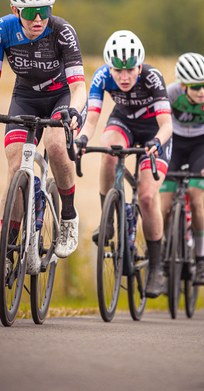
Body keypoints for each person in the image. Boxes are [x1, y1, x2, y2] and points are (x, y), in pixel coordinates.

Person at [0, 0, 87, 284]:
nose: (39, 19)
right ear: (15, 11)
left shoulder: (62, 31)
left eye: (45, 10)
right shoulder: (1, 30)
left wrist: (73, 113)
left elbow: (79, 87)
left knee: (55, 145)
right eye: (30, 12)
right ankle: (6, 256)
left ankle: (67, 214)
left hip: (62, 96)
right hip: (25, 97)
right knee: (14, 166)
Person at [75, 30, 173, 298]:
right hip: (124, 123)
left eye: (130, 69)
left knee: (147, 197)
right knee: (108, 152)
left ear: (139, 65)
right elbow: (93, 117)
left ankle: (155, 267)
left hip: (154, 132)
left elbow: (167, 125)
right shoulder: (102, 76)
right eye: (118, 71)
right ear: (109, 67)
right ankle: (107, 221)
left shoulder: (152, 77)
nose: (124, 76)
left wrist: (156, 142)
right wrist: (82, 138)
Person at [160, 52, 204, 285]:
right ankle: (166, 249)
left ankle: (200, 261)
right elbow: (158, 126)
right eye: (196, 87)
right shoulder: (170, 94)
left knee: (195, 198)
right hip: (175, 144)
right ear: (183, 85)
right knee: (163, 207)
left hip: (201, 145)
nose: (202, 92)